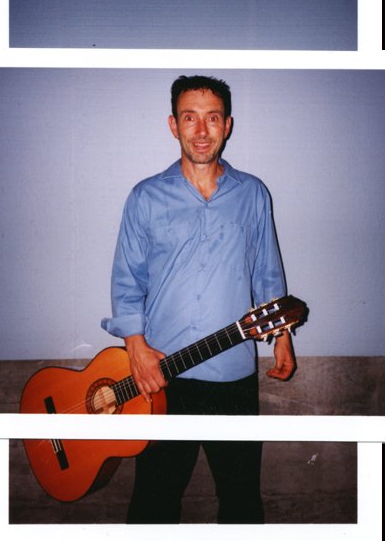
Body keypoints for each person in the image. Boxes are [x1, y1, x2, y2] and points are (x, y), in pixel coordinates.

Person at [103, 75, 296, 524]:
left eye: (212, 118)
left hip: (232, 375)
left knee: (242, 501)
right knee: (153, 504)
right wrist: (135, 347)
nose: (202, 131)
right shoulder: (145, 196)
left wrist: (283, 337)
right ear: (173, 125)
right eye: (190, 118)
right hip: (163, 374)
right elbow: (127, 279)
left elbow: (267, 269)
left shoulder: (253, 194)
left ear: (227, 125)